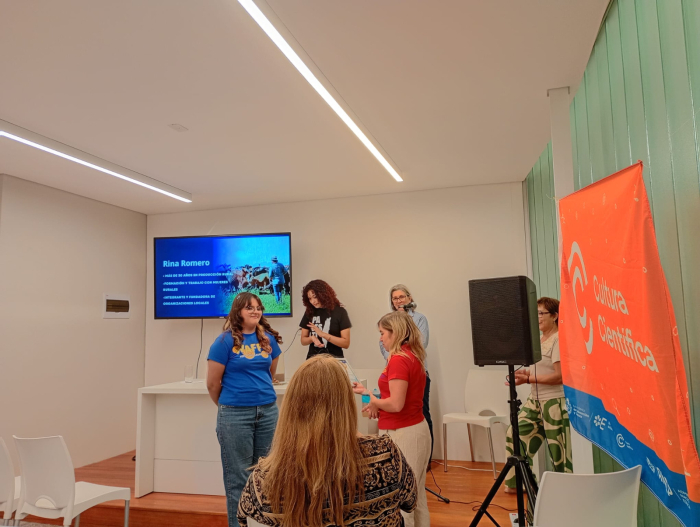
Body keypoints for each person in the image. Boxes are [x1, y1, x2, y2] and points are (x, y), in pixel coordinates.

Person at [237, 354, 418, 527]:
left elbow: (244, 519)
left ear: (291, 407)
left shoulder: (263, 481)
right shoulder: (386, 455)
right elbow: (410, 503)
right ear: (346, 403)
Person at [206, 292, 283, 527]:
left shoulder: (268, 339)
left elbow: (270, 374)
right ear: (238, 311)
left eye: (258, 307)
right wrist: (230, 406)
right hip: (235, 414)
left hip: (268, 412)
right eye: (249, 307)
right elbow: (213, 384)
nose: (255, 311)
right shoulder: (223, 342)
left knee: (266, 474)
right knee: (238, 478)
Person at [355, 311, 430, 527]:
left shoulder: (399, 360)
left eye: (382, 333)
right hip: (410, 429)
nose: (380, 338)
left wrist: (374, 401)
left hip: (405, 433)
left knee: (403, 503)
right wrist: (370, 397)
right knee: (417, 498)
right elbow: (393, 399)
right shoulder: (408, 355)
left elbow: (396, 404)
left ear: (394, 333)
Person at [503, 296, 573, 493]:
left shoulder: (558, 339)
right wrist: (526, 374)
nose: (537, 318)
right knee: (514, 435)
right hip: (535, 400)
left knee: (559, 453)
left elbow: (559, 376)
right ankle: (524, 484)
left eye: (541, 313)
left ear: (555, 316)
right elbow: (540, 370)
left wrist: (529, 379)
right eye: (535, 314)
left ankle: (565, 493)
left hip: (555, 402)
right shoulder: (539, 340)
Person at [380, 284, 433, 466]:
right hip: (395, 372)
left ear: (409, 298)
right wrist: (394, 356)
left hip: (416, 371)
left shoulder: (419, 319)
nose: (399, 301)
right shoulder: (388, 320)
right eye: (395, 298)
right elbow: (383, 347)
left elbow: (420, 343)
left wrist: (398, 355)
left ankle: (425, 459)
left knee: (421, 411)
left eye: (402, 297)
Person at [299, 279, 351, 359]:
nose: (313, 301)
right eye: (310, 298)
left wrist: (323, 334)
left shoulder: (340, 312)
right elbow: (303, 340)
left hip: (334, 360)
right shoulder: (309, 312)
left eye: (315, 297)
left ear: (323, 294)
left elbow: (346, 343)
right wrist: (312, 338)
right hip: (313, 360)